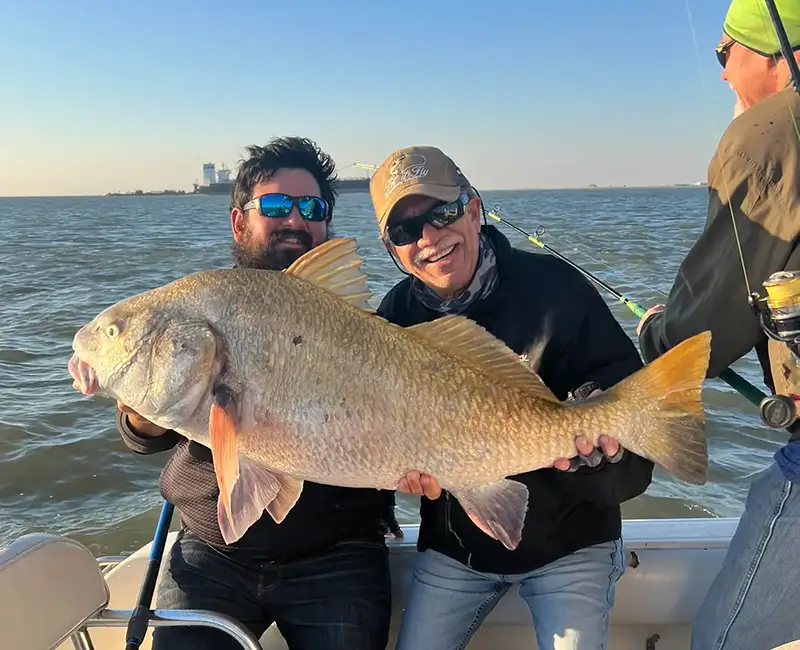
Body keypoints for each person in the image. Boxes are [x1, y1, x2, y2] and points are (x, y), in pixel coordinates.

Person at [369, 144, 656, 650]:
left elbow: (636, 432)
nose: (430, 237)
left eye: (443, 212)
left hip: (572, 541)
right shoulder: (390, 320)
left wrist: (596, 448)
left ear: (474, 209)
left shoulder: (557, 289)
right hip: (459, 550)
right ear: (392, 249)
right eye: (405, 230)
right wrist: (390, 485)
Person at [114, 136, 396, 650]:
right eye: (274, 205)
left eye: (311, 207)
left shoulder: (368, 327)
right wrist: (140, 419)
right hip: (213, 549)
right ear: (239, 221)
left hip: (340, 551)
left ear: (327, 223)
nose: (295, 218)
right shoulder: (200, 306)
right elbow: (140, 437)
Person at [636, 2, 800, 649]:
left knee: (723, 641)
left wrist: (657, 334)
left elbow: (705, 334)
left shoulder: (770, 134)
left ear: (772, 53)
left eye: (725, 52)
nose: (724, 75)